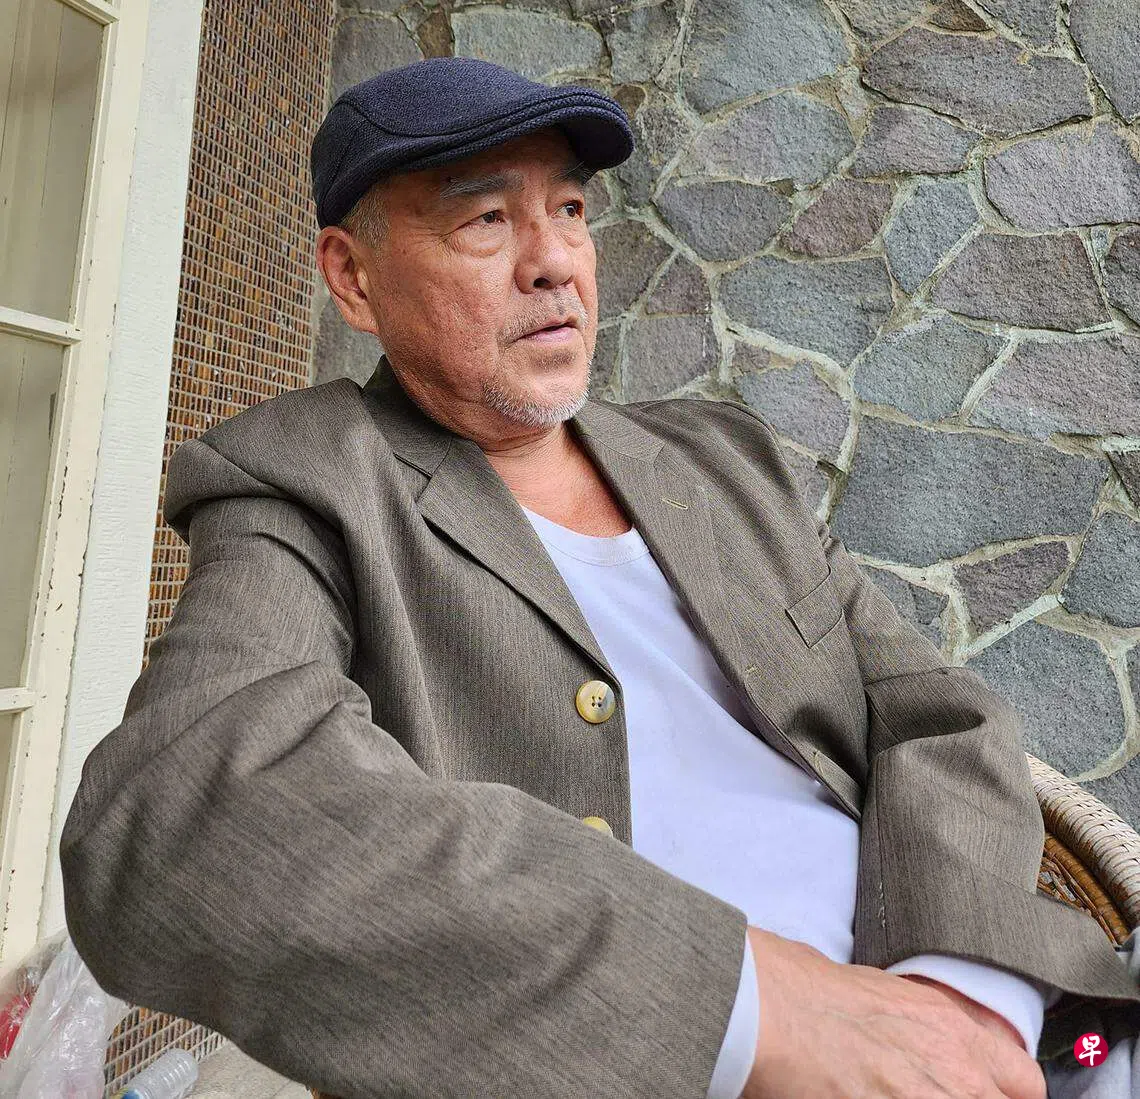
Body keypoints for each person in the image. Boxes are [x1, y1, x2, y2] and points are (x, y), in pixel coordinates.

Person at [59, 58, 1139, 1099]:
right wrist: (749, 1012)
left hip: (1011, 1033)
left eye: (570, 210)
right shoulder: (307, 477)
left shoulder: (725, 460)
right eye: (487, 219)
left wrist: (959, 996)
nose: (554, 263)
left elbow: (937, 716)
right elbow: (178, 818)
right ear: (352, 276)